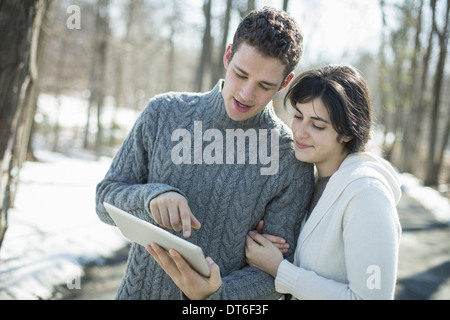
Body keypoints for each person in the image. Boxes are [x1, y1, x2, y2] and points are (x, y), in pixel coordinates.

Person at [95, 7, 314, 300]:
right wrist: (152, 198)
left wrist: (215, 294)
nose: (246, 94)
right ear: (227, 56)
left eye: (264, 86)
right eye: (241, 74)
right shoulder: (163, 113)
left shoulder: (289, 159)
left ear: (285, 83)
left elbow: (278, 273)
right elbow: (104, 198)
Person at [245, 65, 402, 300]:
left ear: (348, 133)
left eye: (317, 125)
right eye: (298, 116)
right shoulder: (311, 179)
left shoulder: (367, 195)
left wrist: (280, 270)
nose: (299, 132)